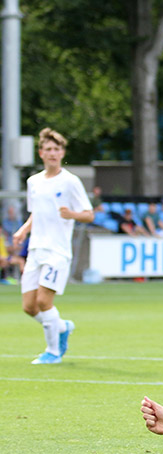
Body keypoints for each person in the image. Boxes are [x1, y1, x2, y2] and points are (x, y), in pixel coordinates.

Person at [13, 128, 94, 364]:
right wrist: (23, 229)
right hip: (36, 249)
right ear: (41, 153)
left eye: (57, 149)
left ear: (62, 153)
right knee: (29, 306)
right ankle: (61, 326)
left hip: (57, 251)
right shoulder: (34, 182)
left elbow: (89, 215)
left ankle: (53, 352)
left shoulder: (70, 181)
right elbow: (35, 213)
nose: (52, 153)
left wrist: (72, 214)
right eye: (48, 149)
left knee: (43, 302)